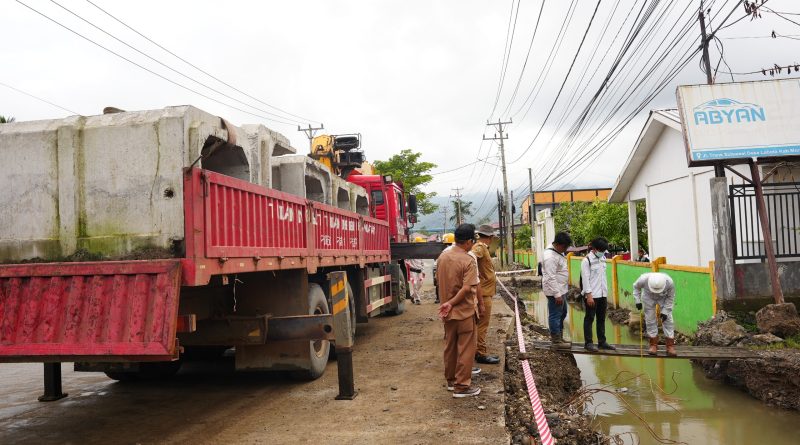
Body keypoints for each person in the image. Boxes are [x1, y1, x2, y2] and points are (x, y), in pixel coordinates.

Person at [437, 224, 482, 397]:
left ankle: (450, 380)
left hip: (447, 312)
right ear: (469, 241)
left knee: (450, 346)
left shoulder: (442, 257)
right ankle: (462, 386)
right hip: (463, 311)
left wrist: (446, 304)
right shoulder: (467, 260)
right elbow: (466, 288)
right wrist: (452, 303)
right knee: (466, 348)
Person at [581, 237, 616, 352]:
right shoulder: (587, 260)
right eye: (601, 250)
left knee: (601, 319)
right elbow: (585, 279)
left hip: (602, 294)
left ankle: (602, 342)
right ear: (595, 249)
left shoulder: (603, 258)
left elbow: (602, 277)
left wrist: (606, 293)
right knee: (589, 318)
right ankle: (588, 343)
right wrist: (589, 295)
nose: (603, 252)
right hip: (592, 295)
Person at [472, 224, 500, 365]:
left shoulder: (483, 248)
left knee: (481, 324)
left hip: (485, 292)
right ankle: (480, 353)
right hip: (483, 293)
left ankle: (479, 351)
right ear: (490, 237)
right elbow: (470, 259)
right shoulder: (480, 248)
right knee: (482, 324)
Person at [633, 272, 677, 356]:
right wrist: (637, 300)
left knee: (668, 320)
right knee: (650, 320)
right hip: (648, 297)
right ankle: (653, 345)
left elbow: (671, 297)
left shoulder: (669, 282)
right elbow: (636, 287)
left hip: (663, 298)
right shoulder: (643, 279)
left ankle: (670, 346)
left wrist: (665, 311)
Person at [542, 232, 572, 350]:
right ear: (558, 244)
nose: (565, 250)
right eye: (564, 247)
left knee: (563, 312)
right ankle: (556, 341)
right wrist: (557, 294)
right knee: (555, 315)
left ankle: (559, 336)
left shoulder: (557, 251)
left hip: (561, 288)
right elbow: (550, 277)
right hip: (555, 291)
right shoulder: (550, 257)